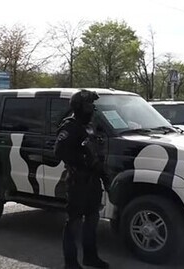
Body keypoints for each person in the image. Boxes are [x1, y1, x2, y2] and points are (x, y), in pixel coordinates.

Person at [54, 90, 110, 269]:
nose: (92, 108)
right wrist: (83, 159)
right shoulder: (70, 126)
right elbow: (59, 151)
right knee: (74, 222)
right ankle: (70, 263)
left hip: (93, 180)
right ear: (78, 107)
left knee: (92, 220)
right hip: (77, 180)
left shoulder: (91, 125)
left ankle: (90, 257)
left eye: (92, 105)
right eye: (88, 105)